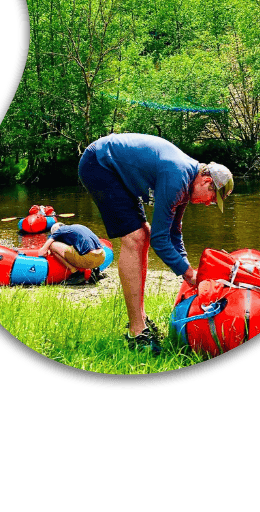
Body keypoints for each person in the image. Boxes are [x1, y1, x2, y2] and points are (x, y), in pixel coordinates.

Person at [77, 133, 234, 354]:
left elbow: (173, 233)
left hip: (117, 171)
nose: (209, 203)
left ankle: (140, 319)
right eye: (212, 197)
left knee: (144, 233)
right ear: (206, 181)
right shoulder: (177, 176)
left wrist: (187, 268)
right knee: (136, 237)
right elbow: (161, 241)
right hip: (99, 163)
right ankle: (136, 331)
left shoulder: (186, 181)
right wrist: (189, 275)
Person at [35, 221, 107, 286]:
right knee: (82, 247)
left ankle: (76, 273)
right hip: (102, 257)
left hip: (88, 258)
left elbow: (42, 251)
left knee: (52, 245)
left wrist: (42, 255)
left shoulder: (59, 230)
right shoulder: (77, 226)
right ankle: (95, 273)